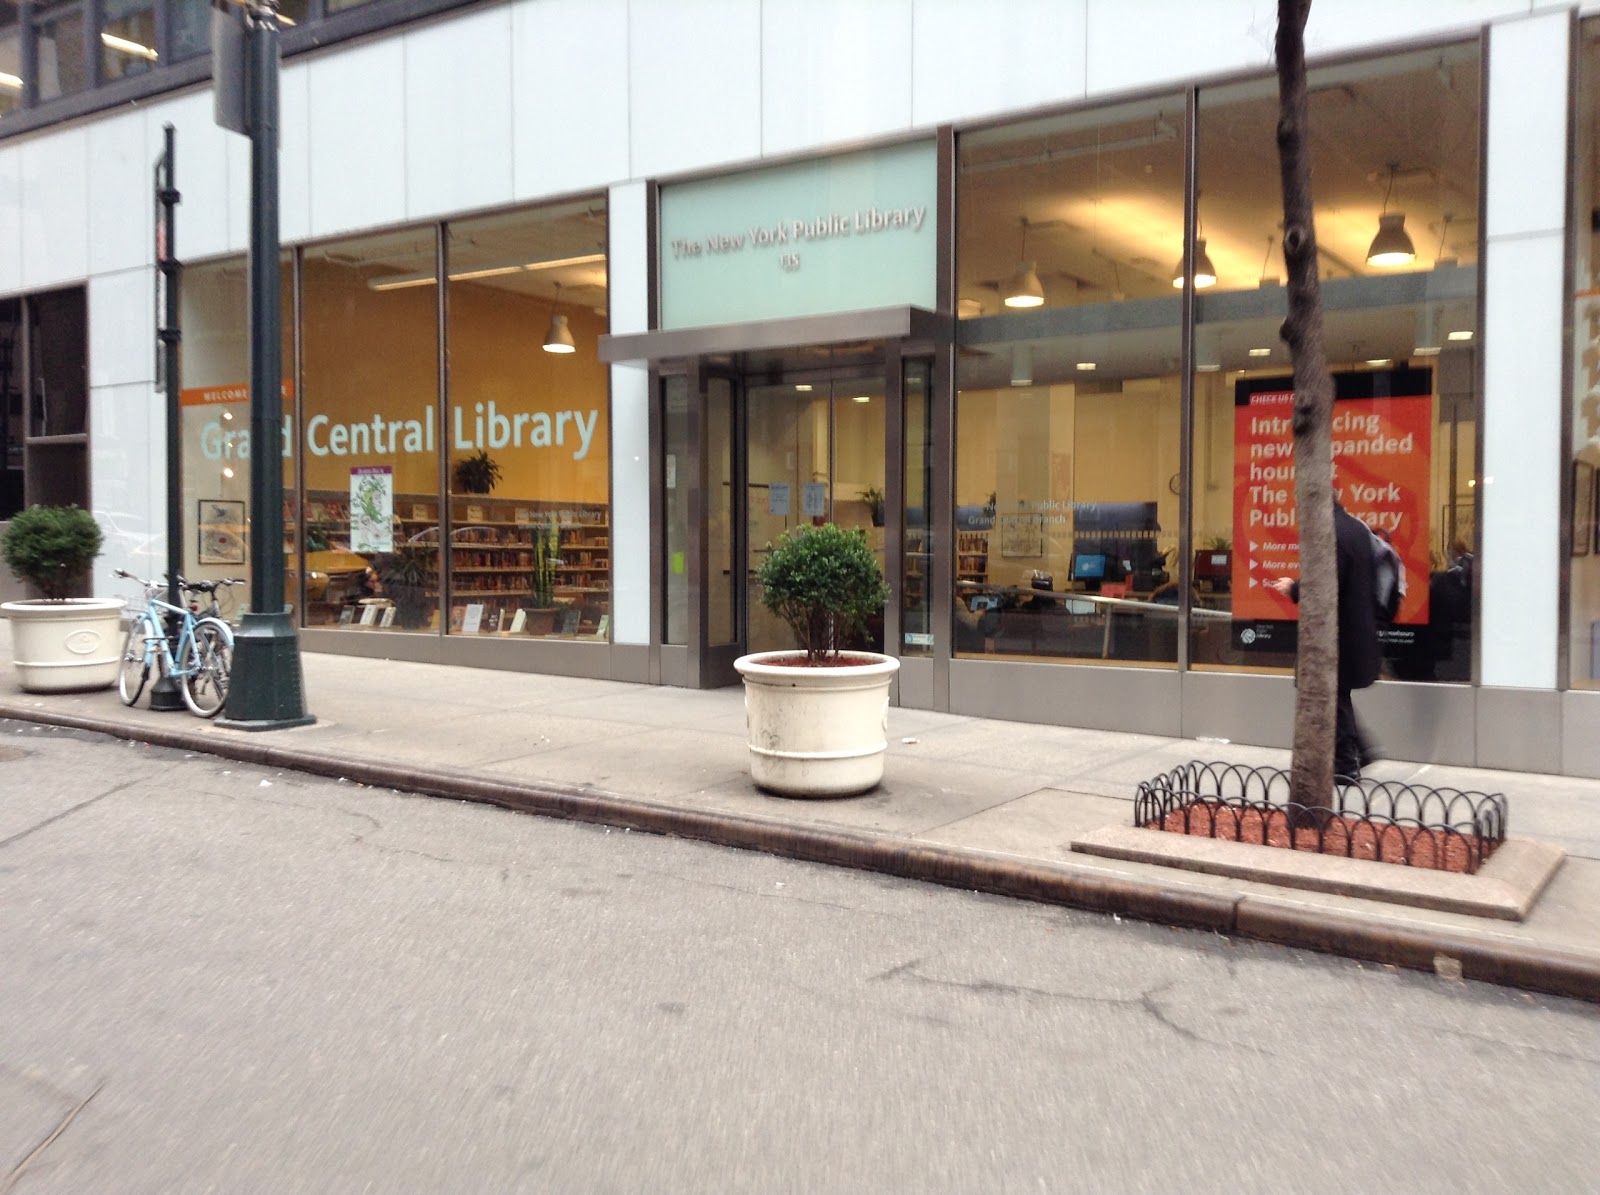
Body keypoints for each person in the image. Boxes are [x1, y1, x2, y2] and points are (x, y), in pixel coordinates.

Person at [1268, 499, 1382, 780]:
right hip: (1354, 628)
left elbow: (1326, 584)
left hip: (1336, 632)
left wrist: (1294, 588)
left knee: (1331, 693)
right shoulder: (1356, 528)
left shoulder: (1331, 533)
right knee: (1337, 695)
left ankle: (1346, 765)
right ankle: (1359, 753)